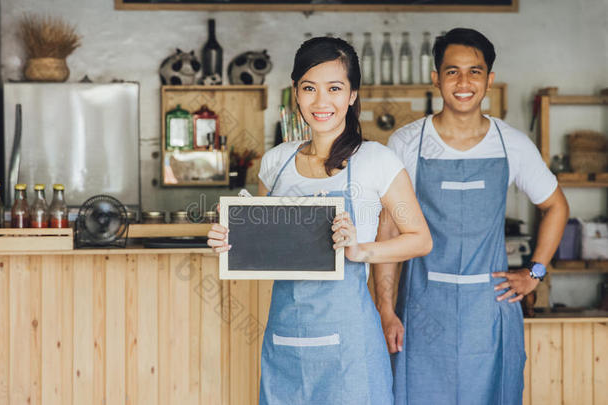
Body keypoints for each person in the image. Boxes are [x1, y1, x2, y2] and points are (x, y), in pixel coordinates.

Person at [208, 37, 432, 404]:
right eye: (309, 88)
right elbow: (266, 246)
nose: (321, 101)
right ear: (295, 92)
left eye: (334, 88)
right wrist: (228, 240)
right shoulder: (275, 164)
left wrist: (360, 249)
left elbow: (420, 239)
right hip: (284, 339)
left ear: (353, 95)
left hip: (351, 347)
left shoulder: (377, 162)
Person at [374, 28, 569, 405]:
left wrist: (535, 273)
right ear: (436, 78)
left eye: (474, 71)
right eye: (452, 71)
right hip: (419, 311)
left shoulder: (511, 143)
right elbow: (387, 231)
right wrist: (385, 310)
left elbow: (556, 205)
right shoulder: (406, 143)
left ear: (489, 80)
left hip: (491, 312)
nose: (463, 82)